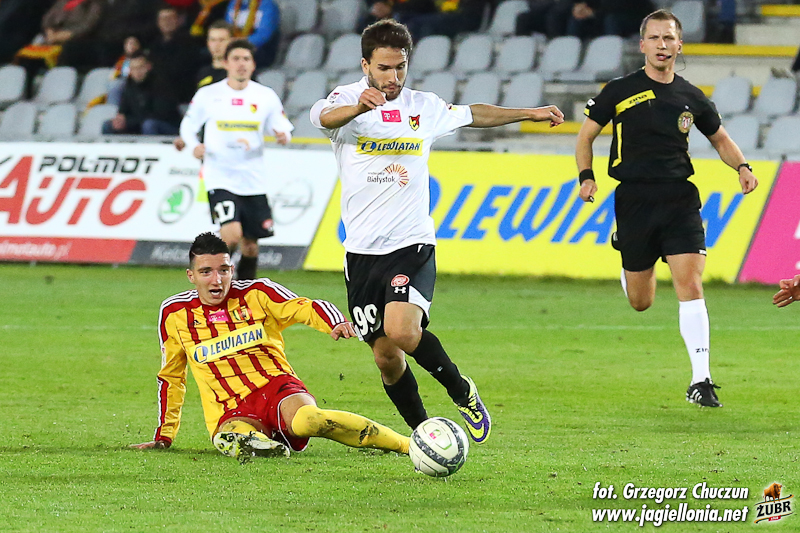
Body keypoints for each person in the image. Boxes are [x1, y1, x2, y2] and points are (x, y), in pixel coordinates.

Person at [309, 19, 564, 443]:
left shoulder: (422, 107)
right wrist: (358, 108)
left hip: (411, 242)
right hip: (361, 252)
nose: (393, 77)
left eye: (400, 67)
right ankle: (424, 435)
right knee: (386, 357)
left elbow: (473, 114)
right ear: (365, 65)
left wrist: (529, 112)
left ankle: (462, 391)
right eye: (384, 68)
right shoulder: (347, 101)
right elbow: (321, 116)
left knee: (402, 331)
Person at [575, 9, 759, 408]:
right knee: (641, 302)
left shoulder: (692, 96)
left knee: (690, 283)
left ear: (679, 44)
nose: (662, 45)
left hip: (679, 198)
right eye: (655, 38)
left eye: (669, 38)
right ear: (642, 45)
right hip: (634, 199)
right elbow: (585, 136)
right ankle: (625, 251)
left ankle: (701, 380)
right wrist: (586, 176)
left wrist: (742, 167)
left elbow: (720, 138)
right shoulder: (619, 90)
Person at [130, 232, 410, 461]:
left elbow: (303, 307)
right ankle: (263, 445)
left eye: (223, 270)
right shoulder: (175, 313)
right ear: (191, 275)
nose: (217, 280)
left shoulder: (257, 293)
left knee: (310, 421)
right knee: (230, 435)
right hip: (229, 409)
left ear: (232, 270)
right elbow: (172, 377)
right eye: (206, 272)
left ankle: (407, 445)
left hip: (276, 387)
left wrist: (333, 322)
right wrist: (164, 436)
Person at [179, 39, 293, 281]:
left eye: (246, 59)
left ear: (253, 65)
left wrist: (283, 135)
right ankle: (210, 280)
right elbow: (188, 126)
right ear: (226, 63)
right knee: (231, 235)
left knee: (251, 246)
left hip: (253, 179)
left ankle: (244, 291)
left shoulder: (265, 96)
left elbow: (282, 126)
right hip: (220, 176)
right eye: (236, 59)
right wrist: (193, 146)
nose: (241, 64)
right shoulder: (209, 94)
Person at [102, 51, 181, 135]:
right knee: (108, 125)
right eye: (134, 68)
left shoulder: (161, 84)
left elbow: (160, 114)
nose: (137, 72)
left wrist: (129, 121)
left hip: (167, 126)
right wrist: (120, 120)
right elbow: (123, 111)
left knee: (149, 125)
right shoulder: (129, 85)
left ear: (148, 67)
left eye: (140, 67)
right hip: (138, 124)